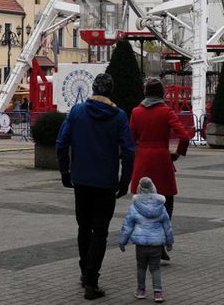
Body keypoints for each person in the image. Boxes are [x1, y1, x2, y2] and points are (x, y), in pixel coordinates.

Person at [57, 72, 136, 300]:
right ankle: (92, 279)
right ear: (111, 91)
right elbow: (129, 152)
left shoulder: (77, 112)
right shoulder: (119, 116)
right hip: (105, 182)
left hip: (81, 180)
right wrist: (125, 180)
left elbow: (61, 142)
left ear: (92, 88)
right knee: (100, 231)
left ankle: (85, 272)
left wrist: (65, 170)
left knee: (83, 227)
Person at [129, 79, 190, 262]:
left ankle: (144, 244)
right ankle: (160, 242)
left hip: (143, 161)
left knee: (141, 205)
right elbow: (184, 136)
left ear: (146, 93)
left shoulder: (136, 112)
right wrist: (178, 152)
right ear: (162, 93)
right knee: (166, 203)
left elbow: (130, 139)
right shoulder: (166, 112)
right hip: (162, 161)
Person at [117, 177, 174, 303]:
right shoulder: (161, 207)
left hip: (141, 245)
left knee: (141, 267)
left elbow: (127, 226)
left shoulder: (134, 207)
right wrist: (169, 243)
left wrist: (122, 241)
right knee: (155, 268)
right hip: (156, 245)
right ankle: (158, 293)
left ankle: (141, 290)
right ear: (154, 189)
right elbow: (167, 227)